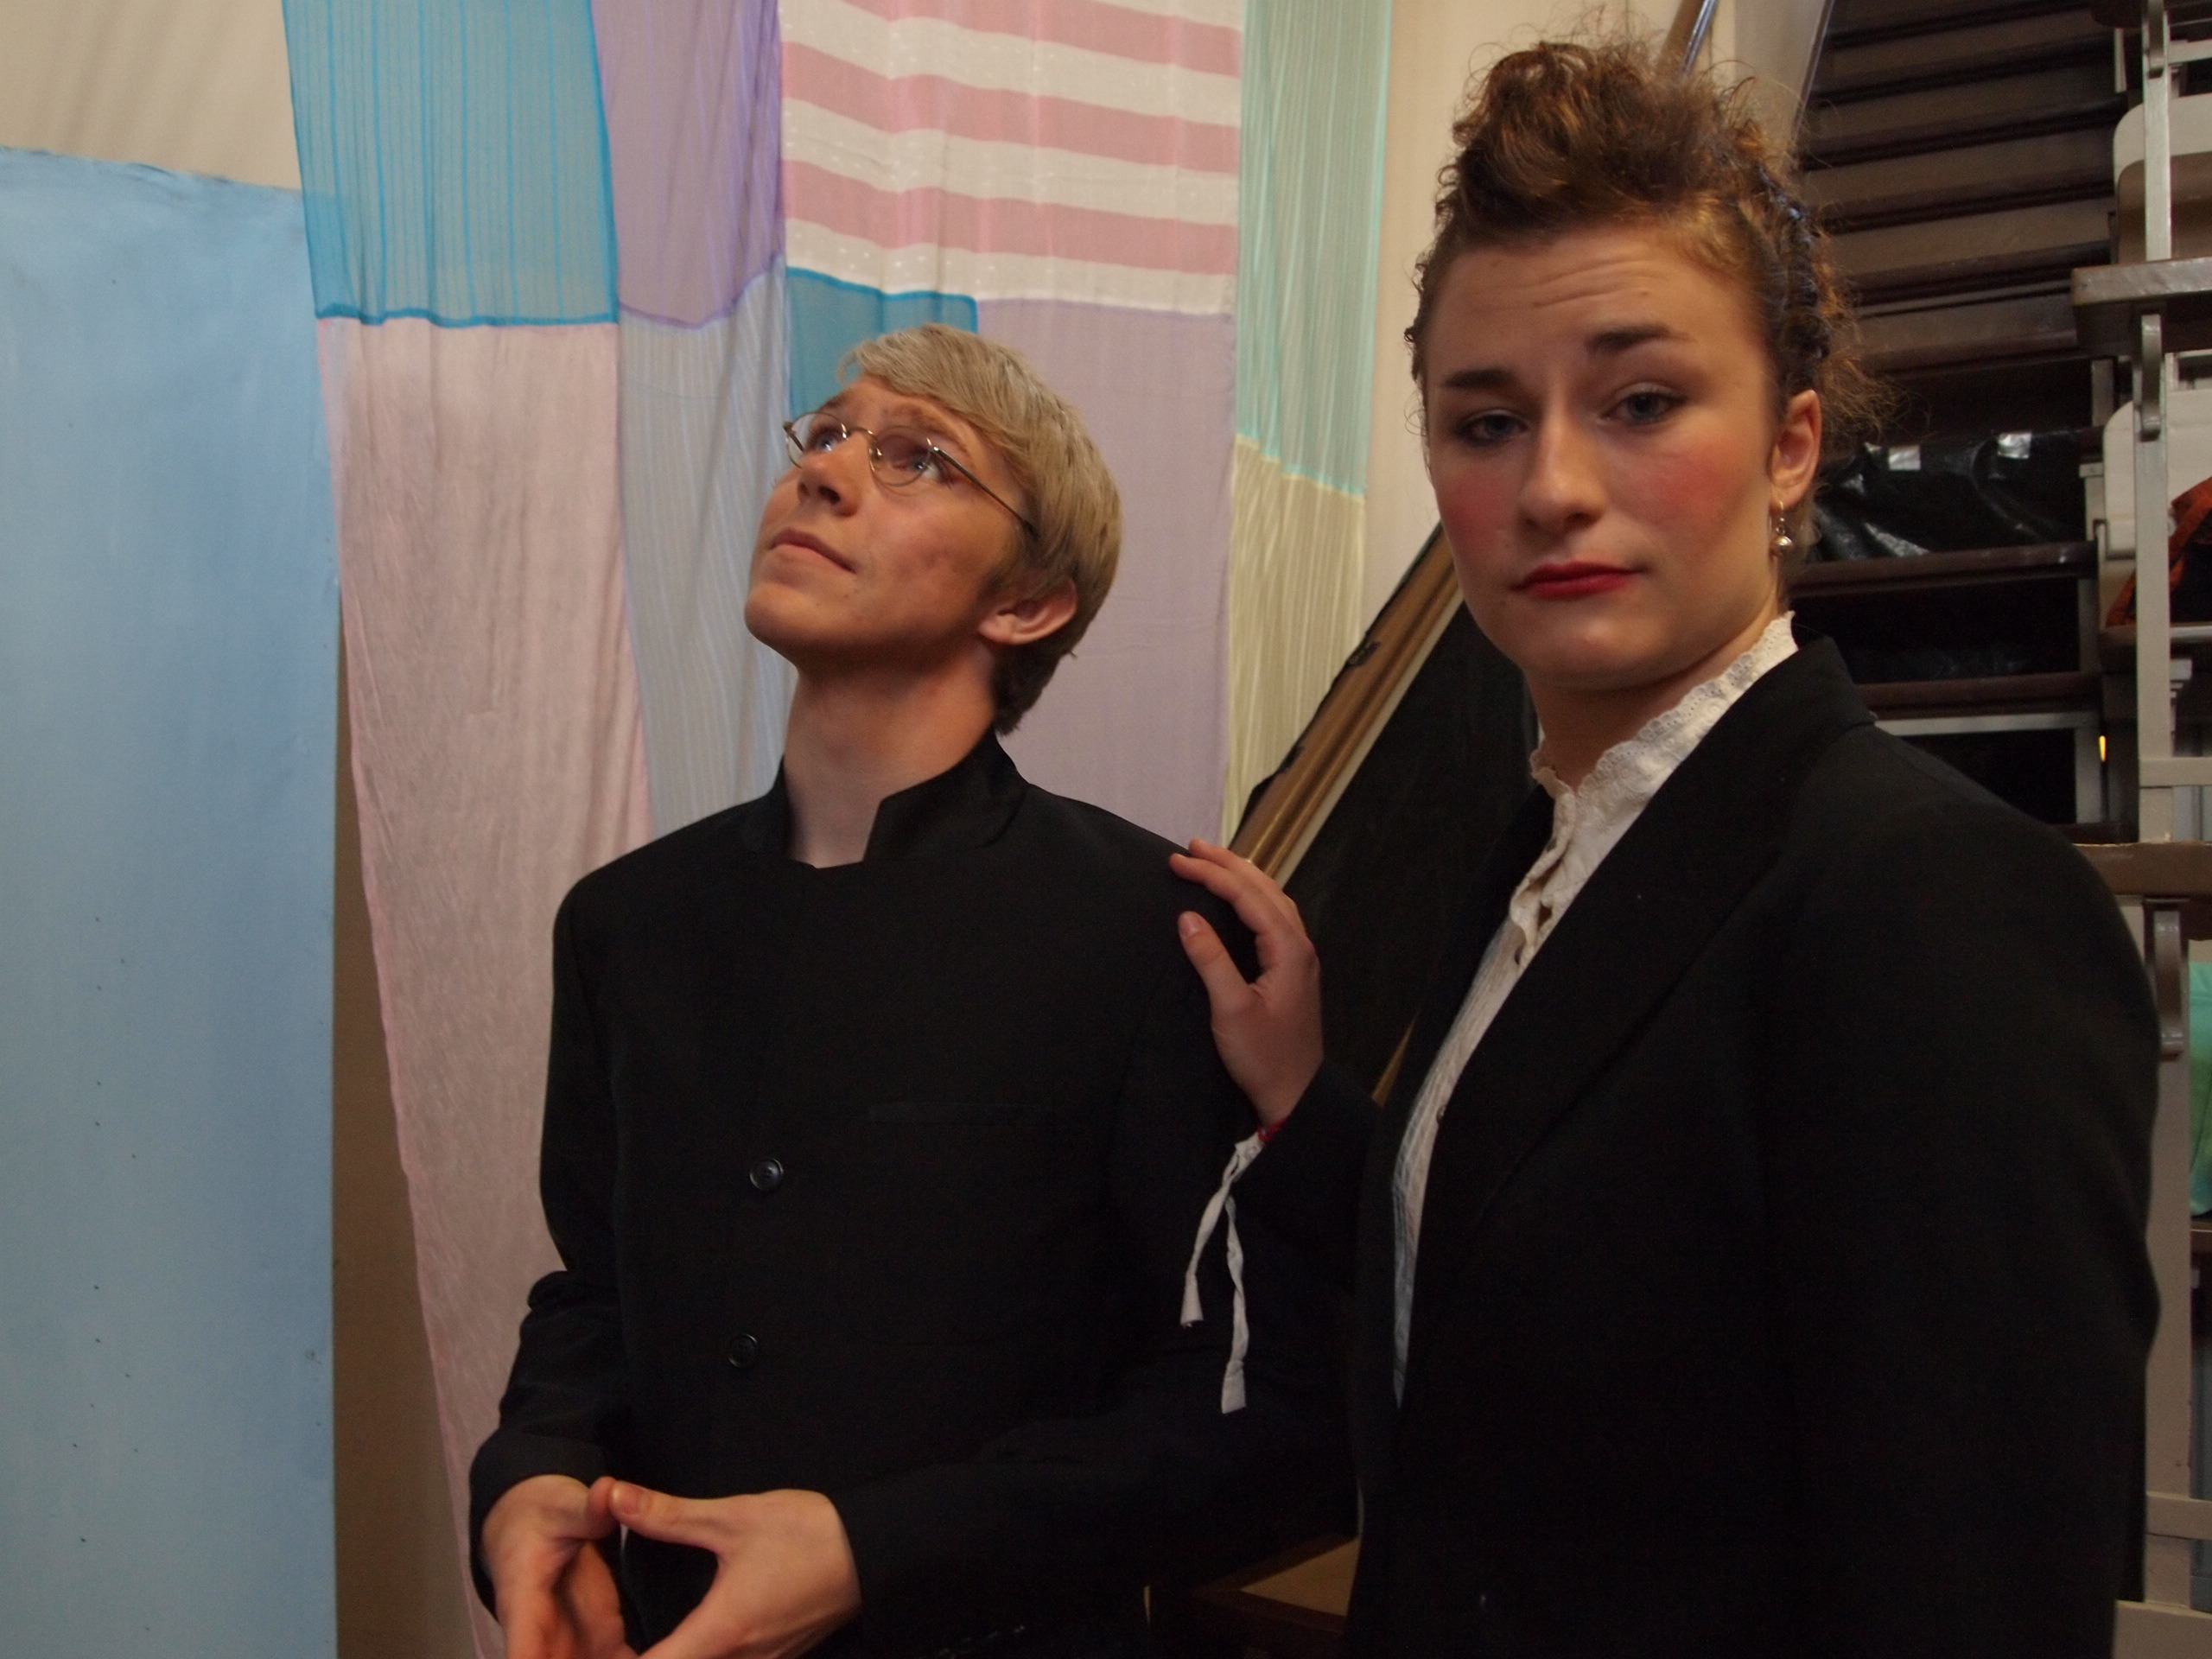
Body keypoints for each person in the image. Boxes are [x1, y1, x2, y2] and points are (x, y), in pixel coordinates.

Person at [1172, 36, 2159, 1658]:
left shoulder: (1931, 900)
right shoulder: (1550, 851)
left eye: (1641, 403)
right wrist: (1304, 1095)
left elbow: (1974, 1585)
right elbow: (1536, 1287)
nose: (1553, 487)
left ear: (1791, 446)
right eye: (1486, 422)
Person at [471, 324, 1339, 1659]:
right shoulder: (626, 925)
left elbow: (1253, 1413)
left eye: (919, 459)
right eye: (825, 436)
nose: (823, 473)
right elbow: (597, 1295)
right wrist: (535, 1477)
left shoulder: (1154, 936)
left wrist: (877, 1552)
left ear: (1028, 602)